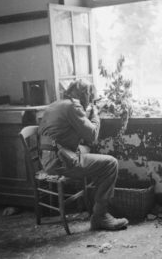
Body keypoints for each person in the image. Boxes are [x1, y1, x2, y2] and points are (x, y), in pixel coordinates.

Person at [38, 79, 128, 231]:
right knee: (111, 163)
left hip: (47, 158)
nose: (90, 99)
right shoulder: (73, 106)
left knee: (88, 150)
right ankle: (100, 216)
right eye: (90, 95)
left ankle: (92, 203)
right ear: (84, 94)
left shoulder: (56, 104)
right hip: (59, 162)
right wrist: (95, 115)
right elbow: (92, 135)